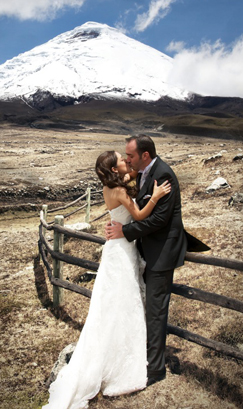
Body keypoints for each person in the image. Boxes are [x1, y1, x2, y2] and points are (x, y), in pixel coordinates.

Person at [43, 150, 171, 409]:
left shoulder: (108, 187)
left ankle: (117, 350)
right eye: (121, 159)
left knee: (113, 303)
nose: (126, 160)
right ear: (114, 169)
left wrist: (134, 174)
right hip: (122, 250)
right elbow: (138, 216)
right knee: (125, 302)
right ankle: (121, 362)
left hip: (116, 248)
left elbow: (130, 180)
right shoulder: (121, 191)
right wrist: (156, 197)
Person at [105, 135, 188, 387]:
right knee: (144, 306)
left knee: (155, 312)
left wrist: (124, 232)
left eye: (130, 156)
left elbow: (158, 220)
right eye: (125, 157)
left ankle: (156, 371)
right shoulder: (141, 172)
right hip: (144, 251)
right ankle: (143, 357)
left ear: (145, 156)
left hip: (161, 253)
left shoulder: (164, 175)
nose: (127, 159)